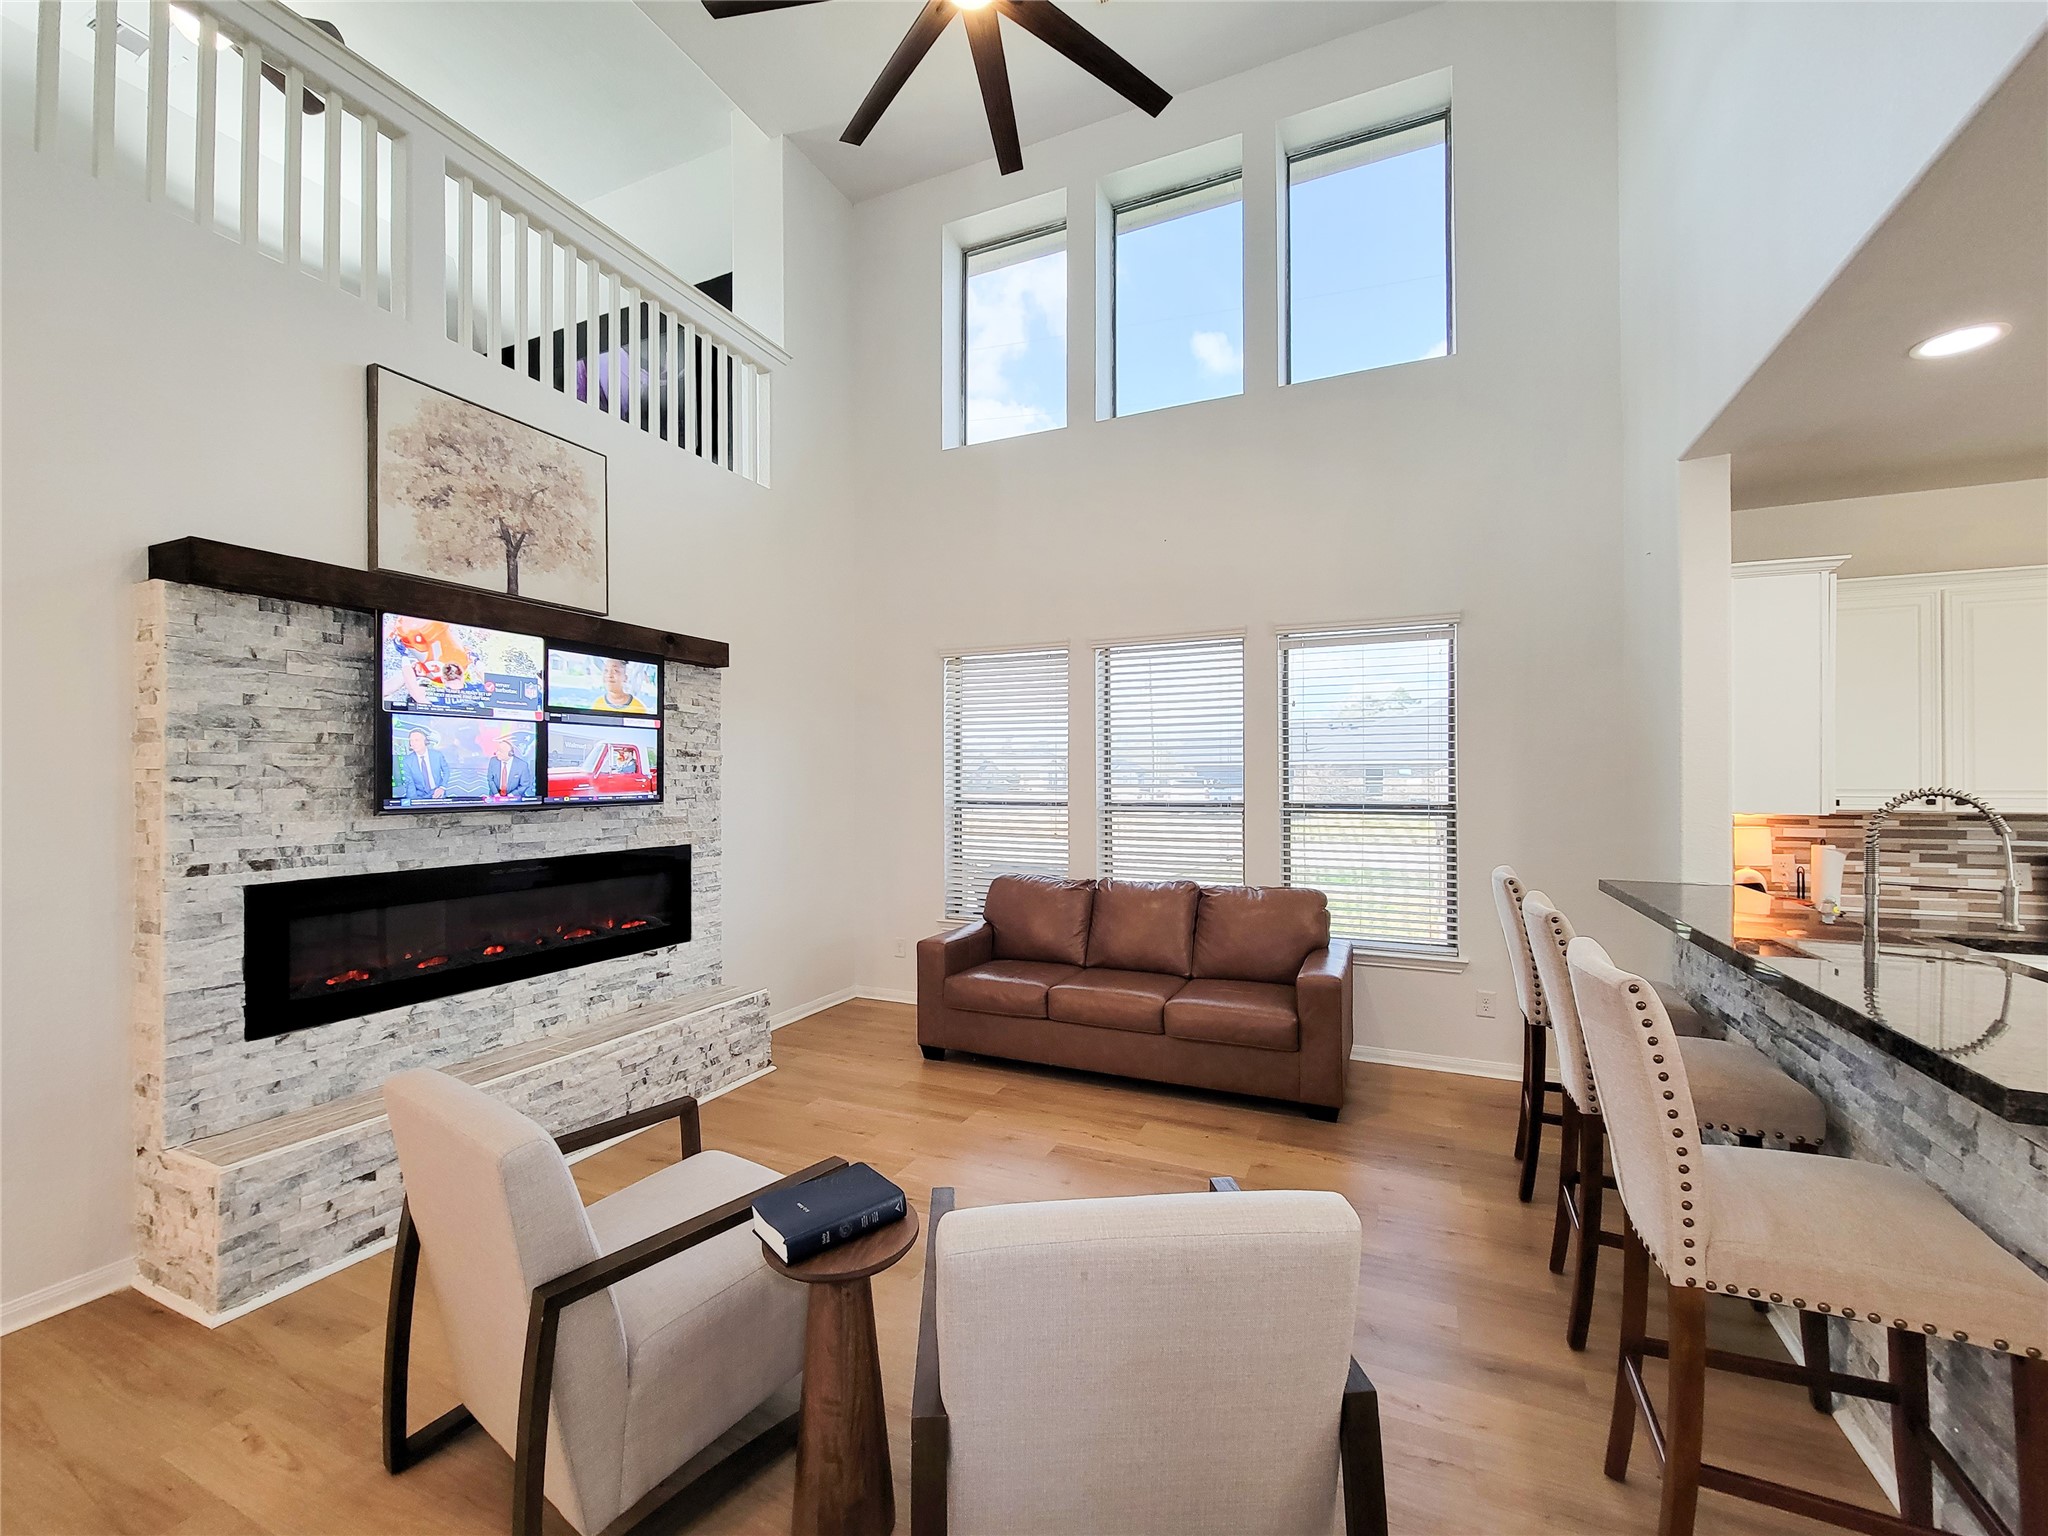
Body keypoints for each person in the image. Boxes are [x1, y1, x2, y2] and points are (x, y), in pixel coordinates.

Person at [400, 728, 448, 800]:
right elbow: (410, 784)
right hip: (419, 796)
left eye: (416, 740)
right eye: (411, 740)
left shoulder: (437, 755)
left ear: (425, 741)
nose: (413, 743)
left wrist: (442, 787)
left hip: (438, 793)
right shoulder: (407, 761)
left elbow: (446, 772)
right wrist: (414, 803)